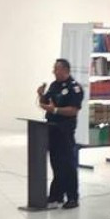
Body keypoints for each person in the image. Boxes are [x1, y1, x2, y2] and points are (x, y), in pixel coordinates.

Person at [36, 59, 84, 209]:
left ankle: (72, 197)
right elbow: (47, 104)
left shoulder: (74, 88)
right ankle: (56, 195)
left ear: (65, 70)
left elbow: (73, 110)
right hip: (52, 128)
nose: (54, 71)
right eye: (54, 69)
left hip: (65, 129)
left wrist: (55, 110)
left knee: (68, 164)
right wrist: (41, 95)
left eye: (56, 69)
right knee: (56, 163)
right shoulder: (54, 85)